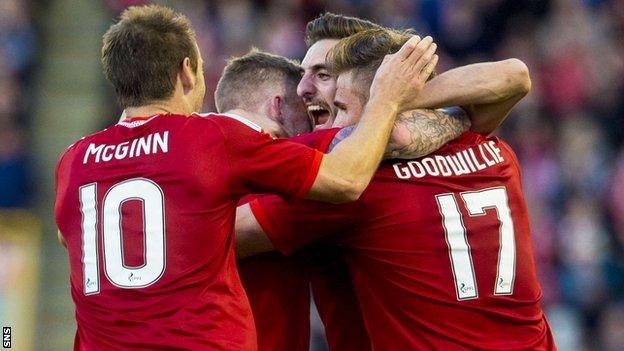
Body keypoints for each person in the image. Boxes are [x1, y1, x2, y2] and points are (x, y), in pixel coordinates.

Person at [53, 5, 440, 350]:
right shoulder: (211, 140)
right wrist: (387, 99)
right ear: (188, 72)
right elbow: (347, 180)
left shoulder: (73, 161)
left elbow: (68, 233)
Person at [235, 28, 557, 350]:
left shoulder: (361, 184)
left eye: (342, 108)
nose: (334, 123)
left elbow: (229, 233)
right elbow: (514, 77)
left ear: (383, 105)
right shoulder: (495, 151)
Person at [216, 48, 469, 351]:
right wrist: (458, 119)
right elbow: (512, 77)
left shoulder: (189, 155)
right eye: (305, 105)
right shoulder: (298, 162)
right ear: (277, 108)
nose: (314, 115)